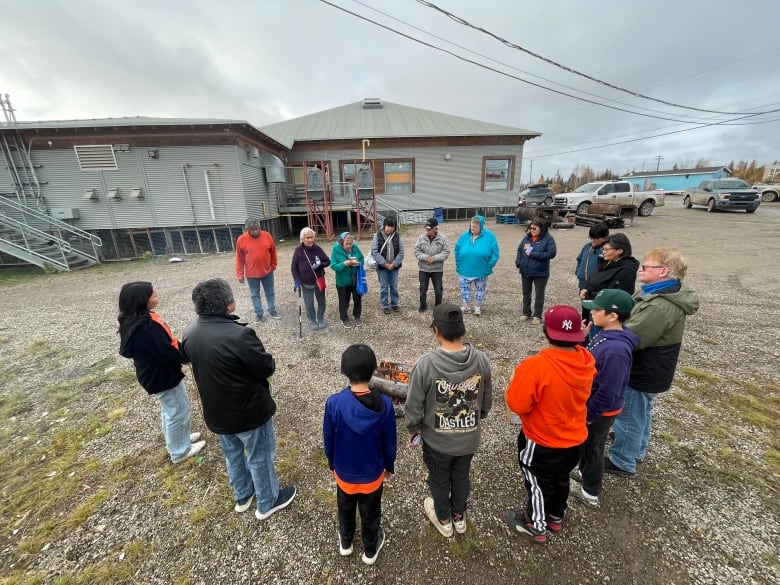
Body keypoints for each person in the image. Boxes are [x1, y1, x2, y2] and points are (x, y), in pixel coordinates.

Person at [180, 278, 296, 520]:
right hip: (249, 412)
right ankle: (268, 501)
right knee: (260, 455)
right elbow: (265, 368)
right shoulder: (240, 335)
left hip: (217, 411)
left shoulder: (189, 332)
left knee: (232, 454)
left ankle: (243, 495)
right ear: (229, 305)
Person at [504, 305, 595, 544]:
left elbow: (517, 404)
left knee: (536, 481)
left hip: (542, 439)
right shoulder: (586, 361)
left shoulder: (535, 366)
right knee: (561, 477)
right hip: (575, 437)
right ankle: (556, 516)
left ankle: (536, 524)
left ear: (545, 332)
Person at [606, 248, 699, 478]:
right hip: (653, 367)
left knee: (630, 413)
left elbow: (633, 336)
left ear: (663, 271)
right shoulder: (658, 293)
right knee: (642, 411)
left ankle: (622, 460)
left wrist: (607, 334)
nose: (641, 269)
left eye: (646, 267)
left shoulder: (660, 305)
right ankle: (637, 448)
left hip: (644, 369)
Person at [405, 303, 493, 538]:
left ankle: (444, 518)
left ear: (436, 331)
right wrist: (479, 416)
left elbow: (414, 403)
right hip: (468, 439)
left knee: (439, 478)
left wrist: (413, 428)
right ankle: (459, 516)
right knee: (462, 475)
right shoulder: (481, 359)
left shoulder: (425, 364)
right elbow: (486, 398)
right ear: (462, 330)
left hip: (438, 442)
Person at [323, 344, 397, 565]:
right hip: (373, 475)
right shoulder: (385, 404)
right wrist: (389, 466)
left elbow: (329, 438)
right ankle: (370, 550)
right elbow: (390, 441)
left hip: (344, 474)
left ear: (345, 371)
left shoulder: (334, 403)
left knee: (344, 509)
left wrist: (331, 464)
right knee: (371, 513)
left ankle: (346, 542)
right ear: (374, 369)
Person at [117, 282, 205, 464]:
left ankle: (179, 439)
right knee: (178, 410)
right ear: (141, 301)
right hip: (161, 376)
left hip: (157, 374)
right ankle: (179, 451)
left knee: (170, 410)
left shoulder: (138, 319)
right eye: (154, 296)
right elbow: (165, 351)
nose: (157, 298)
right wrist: (185, 357)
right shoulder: (144, 328)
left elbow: (169, 341)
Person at [571, 289, 639, 507]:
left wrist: (589, 415)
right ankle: (583, 473)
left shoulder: (616, 350)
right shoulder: (605, 334)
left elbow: (609, 390)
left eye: (597, 309)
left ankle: (590, 491)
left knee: (594, 448)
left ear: (613, 315)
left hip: (600, 411)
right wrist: (582, 341)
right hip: (592, 406)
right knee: (586, 444)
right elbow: (589, 362)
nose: (592, 313)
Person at [580, 233, 639, 340]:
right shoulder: (605, 262)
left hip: (606, 315)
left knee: (599, 341)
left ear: (620, 250)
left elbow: (613, 295)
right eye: (603, 249)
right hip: (594, 308)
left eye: (607, 249)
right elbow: (594, 280)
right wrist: (585, 289)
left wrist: (589, 294)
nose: (603, 252)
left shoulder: (626, 271)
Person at [235, 218, 281, 322]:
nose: (255, 231)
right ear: (247, 229)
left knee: (270, 292)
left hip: (267, 272)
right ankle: (259, 314)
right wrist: (240, 274)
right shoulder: (241, 240)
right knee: (254, 295)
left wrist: (273, 265)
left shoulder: (267, 236)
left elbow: (273, 251)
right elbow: (239, 258)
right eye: (252, 229)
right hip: (251, 275)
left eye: (257, 228)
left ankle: (272, 310)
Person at [453, 215, 500, 316]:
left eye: (475, 227)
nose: (472, 228)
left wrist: (489, 265)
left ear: (481, 226)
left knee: (480, 289)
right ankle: (466, 306)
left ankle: (477, 307)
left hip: (481, 270)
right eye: (471, 226)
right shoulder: (464, 236)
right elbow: (457, 249)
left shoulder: (490, 236)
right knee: (464, 289)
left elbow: (495, 253)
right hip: (464, 269)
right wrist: (458, 263)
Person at [515, 219, 557, 324]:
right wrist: (518, 262)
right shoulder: (527, 238)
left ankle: (537, 316)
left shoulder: (548, 239)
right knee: (526, 293)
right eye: (530, 228)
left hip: (540, 272)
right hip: (526, 271)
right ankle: (526, 313)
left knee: (539, 295)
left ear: (541, 228)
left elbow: (551, 253)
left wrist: (533, 253)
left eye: (534, 228)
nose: (532, 230)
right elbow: (520, 250)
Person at [291, 227, 331, 331]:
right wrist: (296, 280)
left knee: (321, 302)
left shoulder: (317, 248)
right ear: (302, 239)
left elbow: (327, 261)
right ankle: (312, 320)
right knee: (309, 304)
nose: (310, 240)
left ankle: (320, 319)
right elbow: (294, 267)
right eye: (307, 238)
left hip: (319, 281)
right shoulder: (298, 250)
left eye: (312, 237)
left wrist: (320, 264)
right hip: (305, 283)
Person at [414, 217, 450, 312]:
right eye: (426, 228)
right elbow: (416, 251)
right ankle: (423, 305)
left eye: (429, 229)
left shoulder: (443, 239)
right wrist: (426, 257)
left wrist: (434, 258)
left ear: (435, 228)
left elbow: (446, 252)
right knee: (422, 290)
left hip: (437, 269)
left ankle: (438, 307)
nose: (427, 230)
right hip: (423, 269)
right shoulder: (421, 238)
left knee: (438, 290)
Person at [575, 223, 610, 319]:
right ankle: (585, 330)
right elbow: (579, 259)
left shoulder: (606, 251)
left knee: (595, 312)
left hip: (596, 287)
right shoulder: (587, 246)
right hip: (583, 283)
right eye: (591, 237)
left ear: (604, 237)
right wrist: (578, 272)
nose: (592, 240)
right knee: (585, 309)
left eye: (596, 238)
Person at [331, 232, 365, 329]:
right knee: (344, 300)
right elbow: (333, 266)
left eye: (351, 243)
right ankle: (344, 318)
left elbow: (362, 259)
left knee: (357, 299)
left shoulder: (355, 247)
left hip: (355, 279)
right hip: (342, 281)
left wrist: (358, 263)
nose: (349, 246)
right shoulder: (335, 249)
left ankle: (357, 316)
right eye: (347, 244)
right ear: (342, 242)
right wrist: (345, 264)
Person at [371, 217, 404, 314]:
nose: (389, 228)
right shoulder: (377, 236)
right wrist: (385, 264)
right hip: (382, 267)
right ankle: (385, 305)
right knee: (384, 286)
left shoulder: (397, 236)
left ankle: (394, 304)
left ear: (394, 227)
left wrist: (394, 264)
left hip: (394, 266)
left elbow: (401, 252)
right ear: (384, 225)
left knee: (394, 285)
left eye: (392, 226)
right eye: (388, 226)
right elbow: (374, 252)